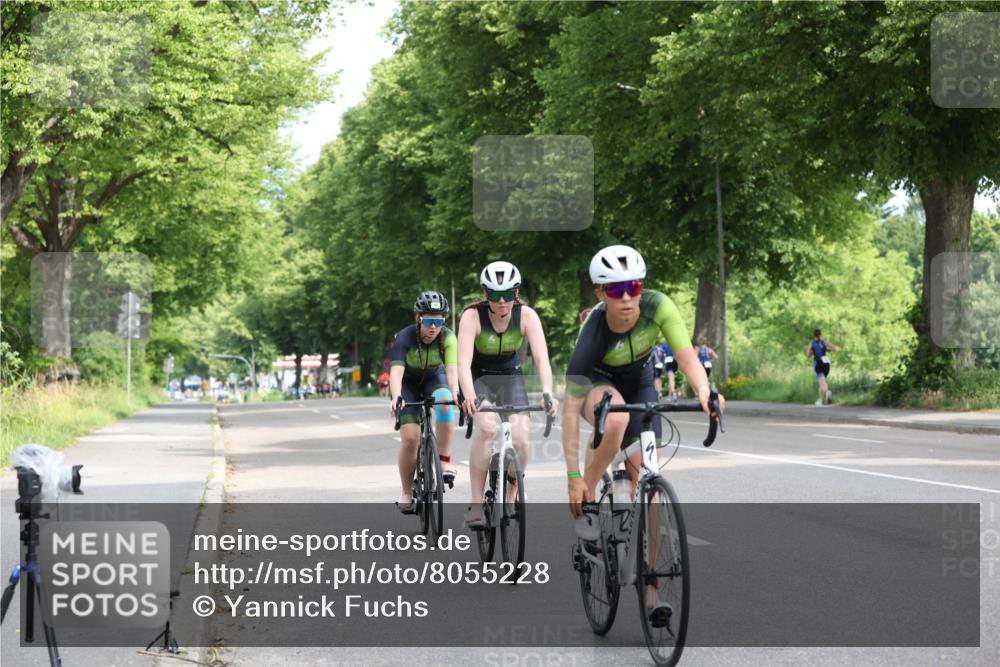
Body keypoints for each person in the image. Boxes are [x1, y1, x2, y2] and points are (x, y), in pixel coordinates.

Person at [561, 245, 724, 626]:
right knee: (615, 419)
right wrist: (572, 478)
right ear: (601, 294)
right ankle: (588, 496)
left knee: (646, 473)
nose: (628, 298)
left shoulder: (658, 306)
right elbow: (570, 408)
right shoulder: (594, 331)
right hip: (599, 387)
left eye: (634, 286)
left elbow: (686, 358)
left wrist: (703, 391)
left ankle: (651, 591)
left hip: (642, 382)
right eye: (617, 290)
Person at [458, 261, 558, 530]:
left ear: (516, 293)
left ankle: (513, 491)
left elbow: (542, 359)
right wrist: (469, 396)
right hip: (478, 378)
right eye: (493, 295)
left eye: (508, 294)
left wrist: (547, 392)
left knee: (522, 437)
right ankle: (477, 505)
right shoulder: (471, 316)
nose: (502, 302)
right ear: (485, 294)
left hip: (510, 377)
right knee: (487, 427)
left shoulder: (527, 316)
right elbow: (463, 363)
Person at [388, 291, 460, 513]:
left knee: (446, 402)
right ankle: (407, 492)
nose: (433, 327)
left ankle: (444, 461)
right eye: (429, 320)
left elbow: (451, 369)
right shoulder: (405, 337)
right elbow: (396, 371)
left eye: (439, 321)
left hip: (433, 379)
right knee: (410, 438)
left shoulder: (448, 338)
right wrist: (396, 396)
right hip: (408, 384)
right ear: (419, 318)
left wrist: (456, 392)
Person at [806, 328, 839, 406]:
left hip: (818, 363)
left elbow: (808, 355)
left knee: (822, 382)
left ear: (814, 335)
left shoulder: (812, 343)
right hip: (826, 363)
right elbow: (835, 349)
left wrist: (812, 351)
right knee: (822, 382)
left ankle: (827, 392)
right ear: (820, 334)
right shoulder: (825, 342)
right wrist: (827, 350)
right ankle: (820, 400)